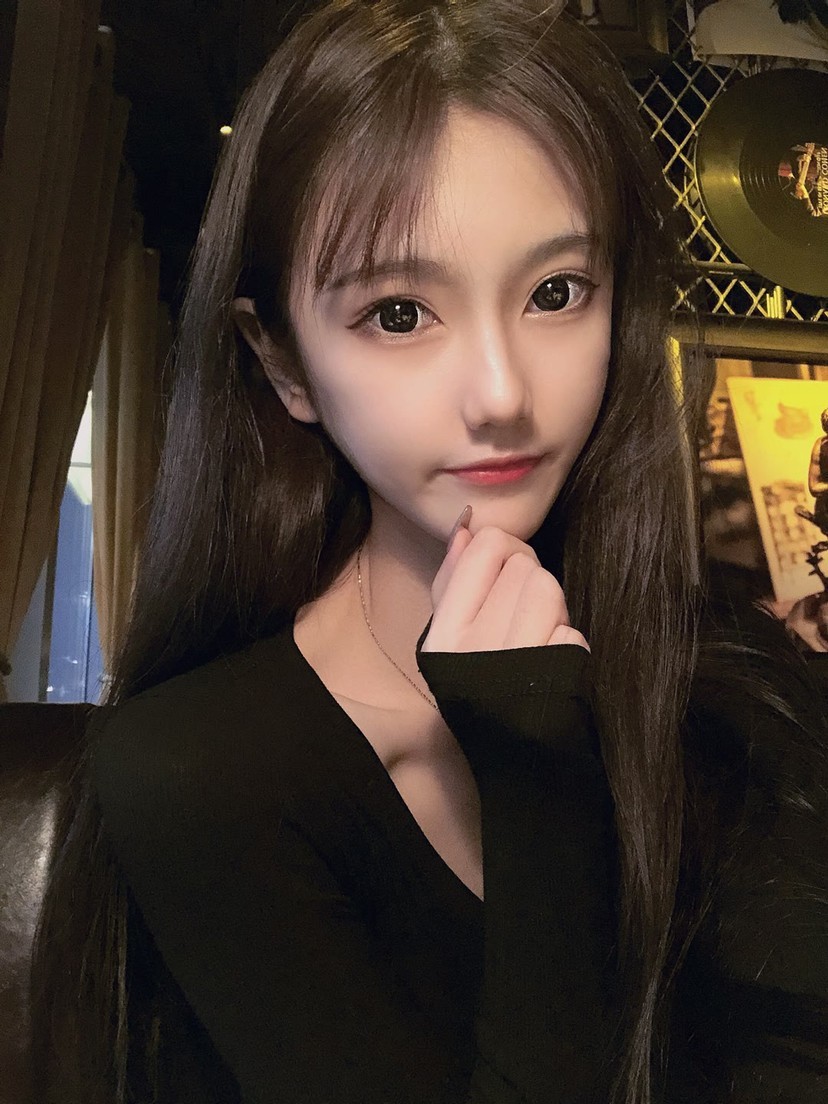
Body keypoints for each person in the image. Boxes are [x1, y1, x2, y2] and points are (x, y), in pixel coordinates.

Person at [31, 2, 828, 1103]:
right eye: (400, 314)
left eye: (556, 293)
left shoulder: (740, 689)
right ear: (284, 363)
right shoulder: (200, 776)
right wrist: (536, 776)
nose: (502, 394)